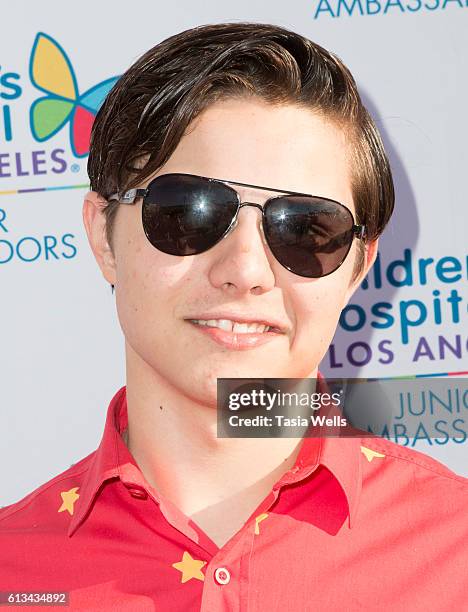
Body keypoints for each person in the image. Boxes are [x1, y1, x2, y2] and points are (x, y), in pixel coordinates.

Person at [1, 22, 466, 612]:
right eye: (190, 211)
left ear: (357, 267)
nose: (246, 270)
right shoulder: (11, 569)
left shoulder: (457, 553)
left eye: (305, 230)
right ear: (102, 236)